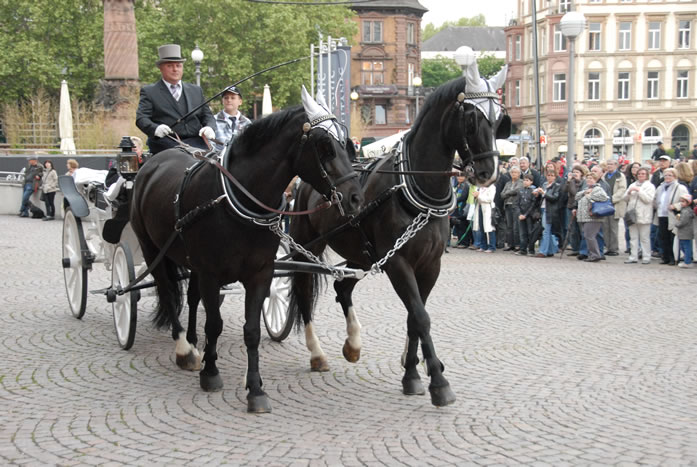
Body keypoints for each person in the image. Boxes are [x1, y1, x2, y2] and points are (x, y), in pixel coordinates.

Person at [135, 44, 216, 155]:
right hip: (165, 144)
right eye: (170, 66)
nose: (175, 69)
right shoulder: (149, 92)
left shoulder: (196, 91)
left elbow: (207, 116)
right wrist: (155, 128)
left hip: (197, 144)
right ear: (161, 68)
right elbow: (141, 118)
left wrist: (209, 127)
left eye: (178, 65)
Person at [654, 168, 688, 265]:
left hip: (673, 215)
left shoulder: (680, 188)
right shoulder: (660, 187)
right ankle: (665, 257)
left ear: (675, 176)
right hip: (661, 214)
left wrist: (675, 206)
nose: (667, 177)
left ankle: (673, 257)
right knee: (663, 237)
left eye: (670, 175)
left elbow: (685, 201)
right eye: (666, 175)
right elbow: (655, 199)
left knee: (672, 237)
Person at [622, 167, 656, 264]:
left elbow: (648, 199)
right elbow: (624, 198)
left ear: (647, 175)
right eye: (639, 174)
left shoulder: (650, 186)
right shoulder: (632, 184)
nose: (641, 175)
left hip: (644, 214)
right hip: (632, 214)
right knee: (633, 237)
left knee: (644, 237)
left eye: (643, 174)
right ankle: (633, 256)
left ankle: (646, 256)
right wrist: (629, 193)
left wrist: (639, 190)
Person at [575, 172, 610, 262]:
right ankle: (592, 254)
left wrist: (590, 196)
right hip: (585, 217)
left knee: (589, 236)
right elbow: (577, 197)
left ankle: (595, 255)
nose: (589, 180)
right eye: (588, 178)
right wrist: (585, 192)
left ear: (595, 180)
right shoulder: (586, 189)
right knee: (588, 236)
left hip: (593, 217)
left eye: (591, 178)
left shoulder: (598, 189)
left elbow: (604, 198)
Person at [602, 159, 627, 256]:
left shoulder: (620, 176)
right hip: (604, 205)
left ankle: (614, 248)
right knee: (605, 227)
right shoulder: (604, 176)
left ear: (616, 165)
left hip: (614, 204)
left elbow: (622, 190)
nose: (609, 166)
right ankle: (607, 247)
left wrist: (612, 199)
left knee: (613, 228)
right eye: (608, 164)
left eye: (611, 164)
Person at [536, 168, 562, 257]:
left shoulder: (557, 186)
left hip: (550, 210)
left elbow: (554, 198)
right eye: (548, 175)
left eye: (552, 175)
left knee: (546, 230)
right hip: (542, 208)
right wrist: (537, 194)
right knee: (548, 231)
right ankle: (551, 250)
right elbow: (541, 198)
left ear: (555, 177)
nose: (550, 177)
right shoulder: (544, 184)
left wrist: (544, 193)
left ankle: (543, 251)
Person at [564, 164, 588, 256]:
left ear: (581, 173)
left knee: (581, 229)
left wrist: (572, 184)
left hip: (580, 207)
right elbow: (564, 190)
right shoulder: (571, 182)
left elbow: (576, 193)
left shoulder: (584, 182)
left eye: (577, 172)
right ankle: (575, 248)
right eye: (573, 172)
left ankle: (583, 250)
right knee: (572, 229)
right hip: (570, 206)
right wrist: (568, 181)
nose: (575, 174)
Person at [516, 173, 542, 256]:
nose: (525, 182)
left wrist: (526, 215)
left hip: (529, 215)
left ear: (531, 182)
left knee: (530, 232)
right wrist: (519, 214)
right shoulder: (520, 190)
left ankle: (531, 249)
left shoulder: (533, 191)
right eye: (524, 180)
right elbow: (517, 203)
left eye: (527, 180)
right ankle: (523, 249)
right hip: (521, 214)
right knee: (522, 233)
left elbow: (533, 204)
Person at [500, 166, 523, 251]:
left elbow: (517, 191)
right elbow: (502, 194)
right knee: (509, 226)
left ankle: (517, 244)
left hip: (516, 206)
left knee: (516, 226)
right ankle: (510, 244)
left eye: (515, 172)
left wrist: (508, 193)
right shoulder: (508, 183)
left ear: (519, 174)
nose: (513, 174)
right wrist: (509, 193)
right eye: (512, 172)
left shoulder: (521, 182)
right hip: (507, 205)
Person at [472, 183, 497, 252]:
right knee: (481, 227)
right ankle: (483, 246)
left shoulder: (491, 187)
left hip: (488, 208)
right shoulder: (480, 187)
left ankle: (492, 246)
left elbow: (490, 199)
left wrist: (479, 196)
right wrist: (475, 196)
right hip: (480, 207)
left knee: (489, 227)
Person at [674, 194, 694, 268]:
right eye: (681, 201)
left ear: (688, 203)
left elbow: (683, 222)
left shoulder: (686, 211)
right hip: (683, 232)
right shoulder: (683, 210)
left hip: (686, 232)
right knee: (683, 246)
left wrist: (676, 223)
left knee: (686, 247)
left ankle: (687, 262)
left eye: (683, 202)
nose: (681, 203)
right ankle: (687, 260)